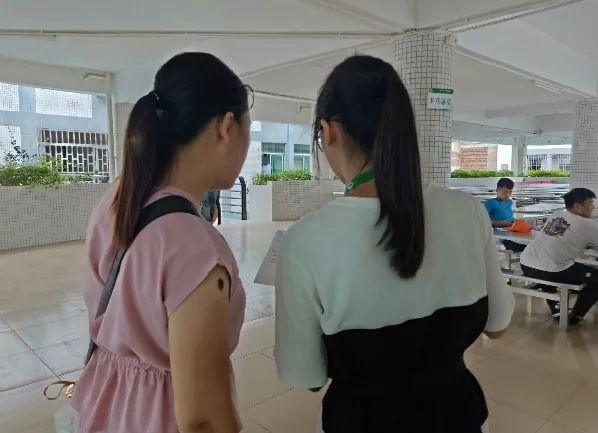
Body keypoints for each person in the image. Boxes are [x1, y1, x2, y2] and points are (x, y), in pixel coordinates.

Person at [274, 55, 514, 433]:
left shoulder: (306, 240)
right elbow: (497, 326)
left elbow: (306, 374)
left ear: (328, 131)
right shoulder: (468, 211)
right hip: (460, 416)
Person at [71, 53, 252, 433]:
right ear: (227, 127)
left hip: (105, 407)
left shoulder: (117, 200)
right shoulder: (196, 247)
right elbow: (203, 419)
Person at [520, 188, 598, 325]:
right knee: (597, 278)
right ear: (577, 206)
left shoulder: (557, 214)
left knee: (553, 263)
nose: (593, 207)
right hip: (549, 271)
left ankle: (556, 308)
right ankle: (575, 315)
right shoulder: (587, 224)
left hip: (526, 264)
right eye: (590, 203)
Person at [484, 178, 526, 252]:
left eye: (510, 192)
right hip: (500, 234)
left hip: (512, 230)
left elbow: (513, 216)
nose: (508, 195)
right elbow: (484, 221)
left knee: (530, 241)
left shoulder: (510, 202)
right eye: (505, 192)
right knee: (523, 246)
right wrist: (500, 223)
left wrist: (516, 222)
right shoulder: (490, 203)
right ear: (497, 190)